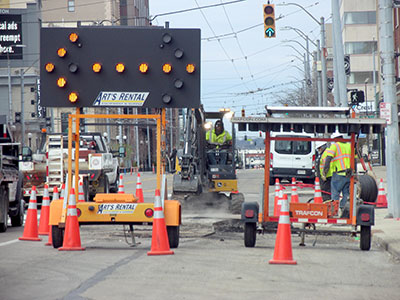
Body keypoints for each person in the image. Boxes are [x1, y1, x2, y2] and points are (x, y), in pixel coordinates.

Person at [322, 133, 352, 217]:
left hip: (338, 174)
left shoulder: (335, 146)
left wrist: (325, 171)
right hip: (348, 174)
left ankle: (334, 213)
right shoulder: (349, 145)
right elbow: (355, 159)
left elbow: (328, 158)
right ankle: (344, 210)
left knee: (335, 193)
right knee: (346, 193)